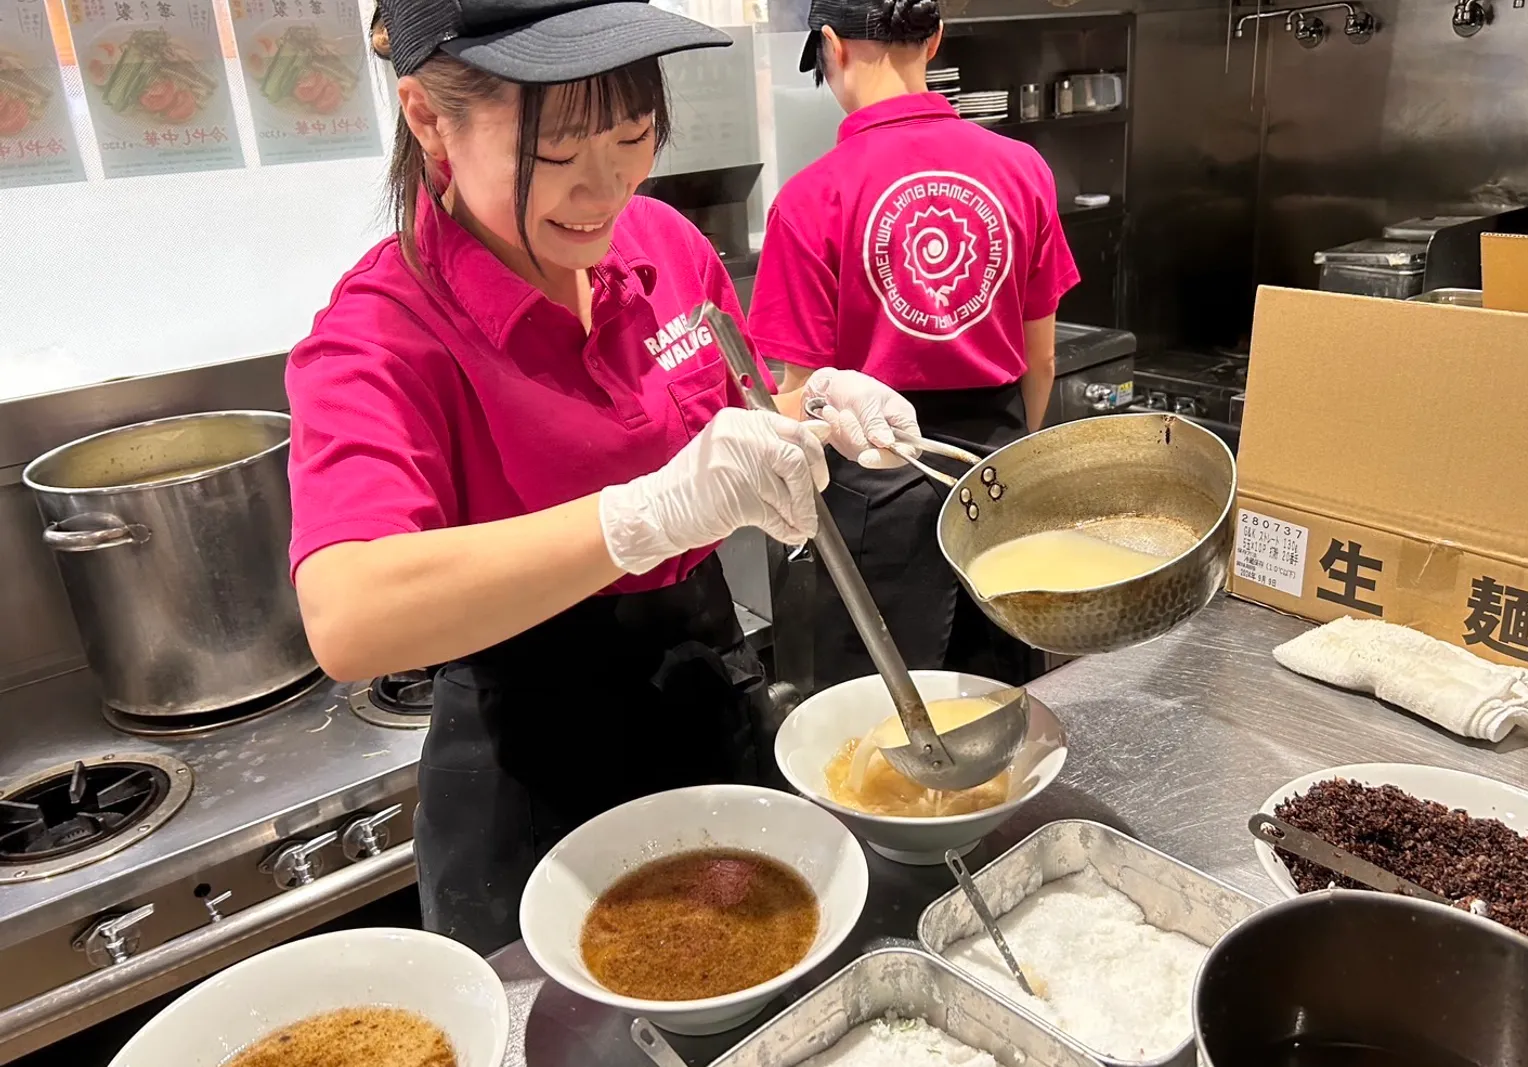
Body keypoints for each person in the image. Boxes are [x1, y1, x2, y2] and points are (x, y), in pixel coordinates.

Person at [285, 0, 918, 955]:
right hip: (534, 761)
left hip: (711, 703)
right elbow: (347, 613)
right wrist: (642, 516)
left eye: (631, 136)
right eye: (557, 152)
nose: (604, 188)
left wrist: (817, 415)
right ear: (427, 118)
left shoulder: (663, 246)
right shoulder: (382, 330)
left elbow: (728, 425)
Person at [746, 0, 1080, 691]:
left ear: (831, 46)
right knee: (1001, 706)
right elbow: (1040, 361)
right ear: (935, 40)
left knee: (883, 724)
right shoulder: (1025, 172)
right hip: (995, 475)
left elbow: (798, 402)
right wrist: (998, 458)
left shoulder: (811, 200)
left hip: (874, 492)